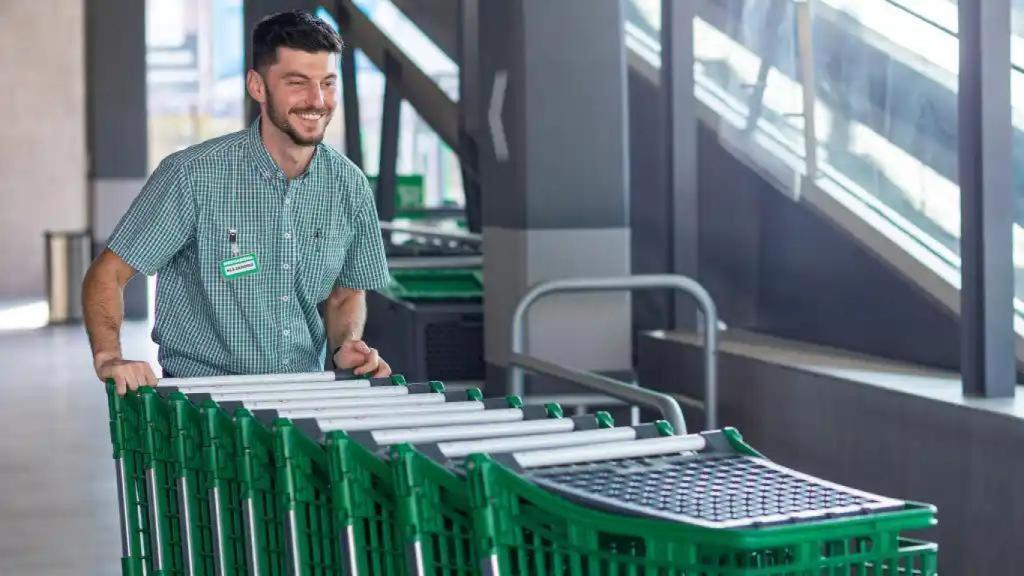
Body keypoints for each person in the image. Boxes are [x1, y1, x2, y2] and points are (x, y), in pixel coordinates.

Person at [83, 10, 392, 396]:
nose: (317, 100)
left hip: (307, 397)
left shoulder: (350, 186)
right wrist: (109, 356)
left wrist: (345, 346)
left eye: (327, 83)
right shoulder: (193, 176)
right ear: (257, 86)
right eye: (297, 83)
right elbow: (108, 275)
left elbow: (346, 293)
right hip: (203, 407)